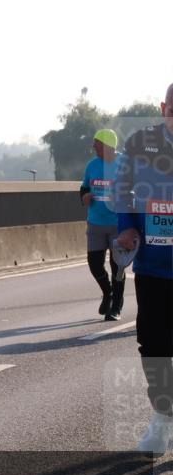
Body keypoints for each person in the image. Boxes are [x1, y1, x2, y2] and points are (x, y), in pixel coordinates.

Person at [114, 84, 173, 455]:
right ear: (163, 107)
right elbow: (121, 189)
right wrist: (125, 225)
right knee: (153, 345)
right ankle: (163, 419)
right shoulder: (139, 144)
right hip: (153, 265)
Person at [80, 128, 123, 320]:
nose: (93, 146)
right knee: (94, 264)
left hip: (118, 224)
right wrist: (85, 196)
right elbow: (84, 188)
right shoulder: (92, 165)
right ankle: (108, 292)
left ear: (108, 146)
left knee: (117, 267)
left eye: (96, 143)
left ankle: (116, 308)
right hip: (96, 222)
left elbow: (138, 190)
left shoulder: (125, 164)